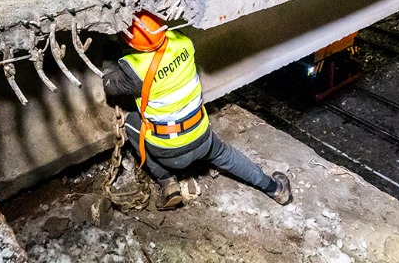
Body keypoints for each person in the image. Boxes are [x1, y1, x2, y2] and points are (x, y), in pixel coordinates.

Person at [102, 11, 293, 210]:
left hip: (168, 153)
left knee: (133, 120)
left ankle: (167, 183)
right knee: (226, 155)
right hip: (202, 137)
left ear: (131, 43)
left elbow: (109, 83)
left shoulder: (133, 69)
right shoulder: (183, 42)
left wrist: (108, 48)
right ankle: (276, 189)